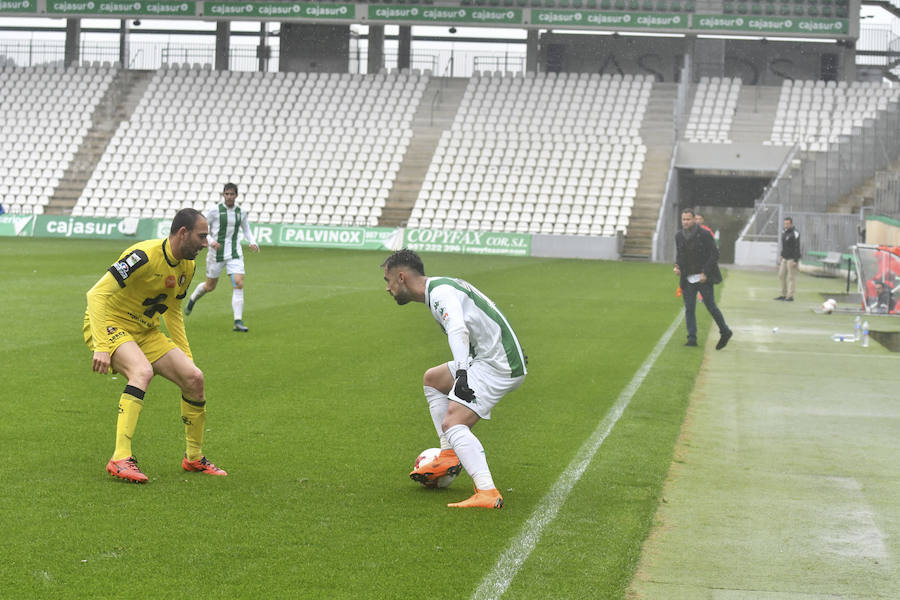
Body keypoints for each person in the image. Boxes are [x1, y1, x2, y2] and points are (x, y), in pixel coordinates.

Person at [84, 208, 227, 483]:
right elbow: (96, 294)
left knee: (194, 378)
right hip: (110, 324)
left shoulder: (188, 265)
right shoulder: (144, 256)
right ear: (183, 233)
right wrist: (102, 345)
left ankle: (194, 458)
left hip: (145, 331)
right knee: (141, 371)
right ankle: (120, 458)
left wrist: (186, 356)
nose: (205, 242)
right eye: (202, 236)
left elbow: (173, 309)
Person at [381, 249, 527, 509]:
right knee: (433, 379)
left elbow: (458, 328)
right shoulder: (440, 288)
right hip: (491, 358)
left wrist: (462, 374)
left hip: (498, 365)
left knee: (454, 423)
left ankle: (487, 491)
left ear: (401, 277)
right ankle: (448, 454)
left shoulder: (440, 294)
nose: (387, 288)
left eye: (387, 280)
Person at [185, 183, 259, 332]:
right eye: (227, 194)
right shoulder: (214, 211)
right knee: (209, 286)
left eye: (232, 194)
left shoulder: (241, 212)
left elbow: (246, 229)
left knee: (238, 282)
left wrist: (252, 242)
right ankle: (193, 298)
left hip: (234, 252)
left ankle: (238, 321)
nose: (229, 197)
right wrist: (211, 241)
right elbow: (203, 229)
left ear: (236, 196)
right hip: (216, 253)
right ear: (223, 195)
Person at [674, 208, 733, 350]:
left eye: (688, 219)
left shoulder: (705, 234)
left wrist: (705, 273)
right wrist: (678, 267)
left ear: (694, 219)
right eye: (683, 219)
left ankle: (725, 331)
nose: (685, 222)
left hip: (703, 278)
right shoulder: (679, 236)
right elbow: (680, 254)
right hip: (688, 277)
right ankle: (692, 338)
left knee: (711, 306)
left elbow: (715, 254)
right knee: (689, 308)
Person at [775, 217, 800, 302]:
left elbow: (797, 247)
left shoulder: (795, 233)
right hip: (785, 258)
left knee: (791, 277)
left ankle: (790, 296)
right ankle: (783, 295)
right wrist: (782, 255)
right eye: (785, 223)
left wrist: (795, 260)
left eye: (788, 224)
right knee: (781, 275)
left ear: (791, 224)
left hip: (792, 258)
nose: (786, 225)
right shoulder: (783, 231)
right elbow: (784, 245)